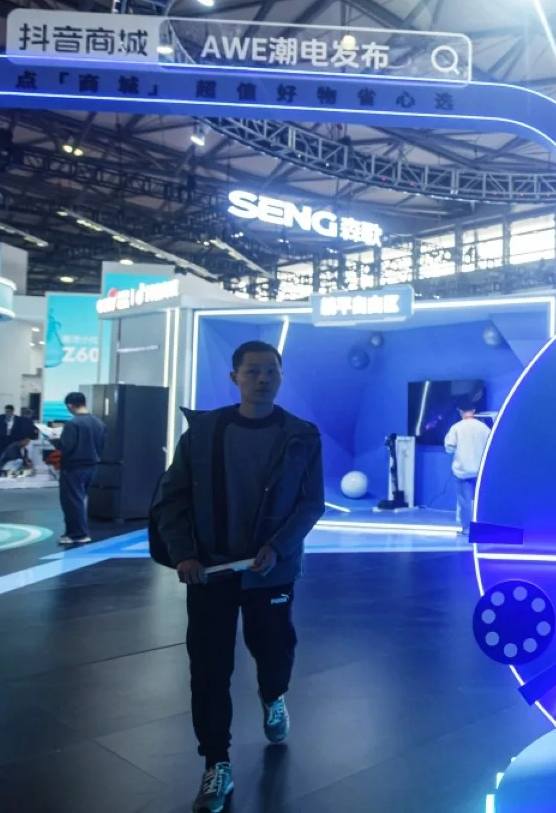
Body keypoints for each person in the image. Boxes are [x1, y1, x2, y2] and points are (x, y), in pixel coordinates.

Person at [152, 340, 324, 813]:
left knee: (274, 651)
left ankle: (274, 697)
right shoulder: (203, 433)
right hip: (210, 573)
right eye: (253, 372)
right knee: (208, 670)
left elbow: (312, 504)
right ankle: (216, 764)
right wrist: (184, 553)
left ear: (281, 377)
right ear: (235, 378)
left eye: (271, 371)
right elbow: (173, 499)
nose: (262, 379)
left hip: (272, 572)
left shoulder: (302, 435)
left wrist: (278, 546)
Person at [56, 392, 106, 545]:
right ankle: (74, 532)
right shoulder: (99, 423)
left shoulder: (72, 424)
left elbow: (67, 446)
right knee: (79, 500)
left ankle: (78, 534)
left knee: (72, 501)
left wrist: (55, 442)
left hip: (73, 467)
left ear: (70, 405)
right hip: (92, 466)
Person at [444, 405, 491, 535]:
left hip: (462, 471)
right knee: (480, 500)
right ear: (474, 411)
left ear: (460, 411)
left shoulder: (456, 428)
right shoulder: (484, 428)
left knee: (464, 502)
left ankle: (467, 529)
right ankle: (481, 527)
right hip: (480, 471)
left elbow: (449, 447)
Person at [0, 404, 28, 476]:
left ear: (12, 411)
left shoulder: (18, 419)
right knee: (0, 457)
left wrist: (22, 441)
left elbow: (21, 430)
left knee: (12, 457)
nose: (7, 413)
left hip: (13, 441)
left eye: (8, 411)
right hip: (1, 441)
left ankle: (9, 472)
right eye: (6, 411)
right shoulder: (0, 418)